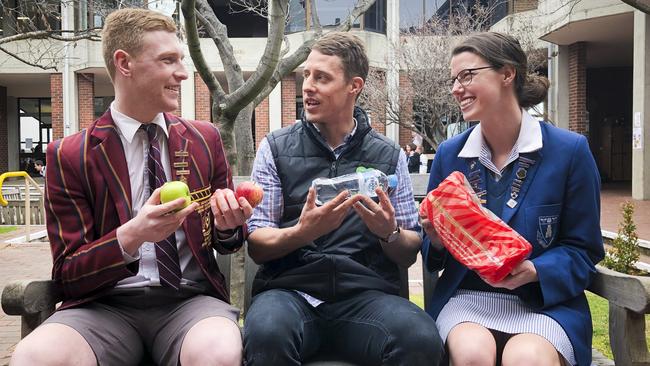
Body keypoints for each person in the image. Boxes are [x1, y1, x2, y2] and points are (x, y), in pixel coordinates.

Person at [10, 8, 249, 366]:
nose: (183, 73)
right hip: (101, 306)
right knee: (35, 357)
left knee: (218, 353)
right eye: (168, 60)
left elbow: (226, 242)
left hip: (189, 303)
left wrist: (228, 225)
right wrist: (132, 236)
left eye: (180, 60)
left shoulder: (204, 140)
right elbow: (68, 273)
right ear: (125, 63)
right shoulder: (70, 155)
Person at [243, 32, 444, 366]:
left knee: (419, 338)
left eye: (322, 78)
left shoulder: (388, 155)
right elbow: (258, 242)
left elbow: (409, 249)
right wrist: (302, 233)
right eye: (306, 75)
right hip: (290, 293)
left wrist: (388, 232)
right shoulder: (275, 148)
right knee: (267, 334)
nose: (308, 86)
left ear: (354, 86)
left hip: (366, 298)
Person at [421, 32, 604, 366]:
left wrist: (535, 270)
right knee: (473, 353)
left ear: (507, 74)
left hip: (545, 303)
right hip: (469, 297)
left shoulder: (569, 151)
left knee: (527, 358)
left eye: (467, 76)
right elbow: (434, 257)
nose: (455, 88)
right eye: (454, 79)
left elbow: (584, 250)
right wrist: (435, 240)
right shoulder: (451, 155)